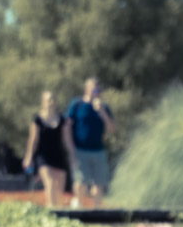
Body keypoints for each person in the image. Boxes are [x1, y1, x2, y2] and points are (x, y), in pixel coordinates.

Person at [67, 77, 116, 208]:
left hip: (98, 150)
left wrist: (102, 111)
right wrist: (71, 149)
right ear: (86, 89)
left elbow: (112, 129)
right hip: (80, 149)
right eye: (93, 89)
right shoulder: (77, 105)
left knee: (99, 182)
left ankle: (97, 209)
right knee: (81, 181)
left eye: (98, 90)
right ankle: (79, 206)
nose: (96, 92)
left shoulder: (104, 107)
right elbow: (67, 127)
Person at [22, 90, 75, 206]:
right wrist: (29, 157)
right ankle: (52, 210)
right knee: (50, 183)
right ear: (43, 102)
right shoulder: (37, 120)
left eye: (53, 99)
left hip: (58, 155)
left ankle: (58, 210)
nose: (51, 102)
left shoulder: (62, 120)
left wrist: (72, 156)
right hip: (43, 156)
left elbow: (67, 140)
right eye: (48, 100)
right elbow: (33, 140)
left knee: (59, 187)